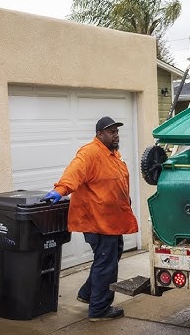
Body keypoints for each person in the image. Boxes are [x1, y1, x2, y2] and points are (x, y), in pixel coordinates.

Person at [43, 116, 138, 321]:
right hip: (98, 221)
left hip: (112, 220)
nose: (115, 135)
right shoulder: (90, 153)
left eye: (116, 131)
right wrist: (60, 190)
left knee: (110, 256)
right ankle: (99, 310)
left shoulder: (113, 154)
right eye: (111, 132)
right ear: (99, 134)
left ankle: (88, 293)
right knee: (107, 263)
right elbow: (74, 172)